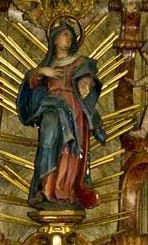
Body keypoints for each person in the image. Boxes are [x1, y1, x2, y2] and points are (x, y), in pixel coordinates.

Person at [16, 19, 106, 209]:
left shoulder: (80, 61)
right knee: (48, 141)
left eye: (71, 35)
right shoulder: (47, 64)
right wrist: (42, 71)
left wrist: (85, 83)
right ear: (54, 39)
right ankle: (45, 189)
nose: (69, 38)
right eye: (65, 34)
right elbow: (30, 84)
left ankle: (65, 190)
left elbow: (89, 76)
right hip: (51, 106)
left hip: (74, 108)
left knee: (70, 150)